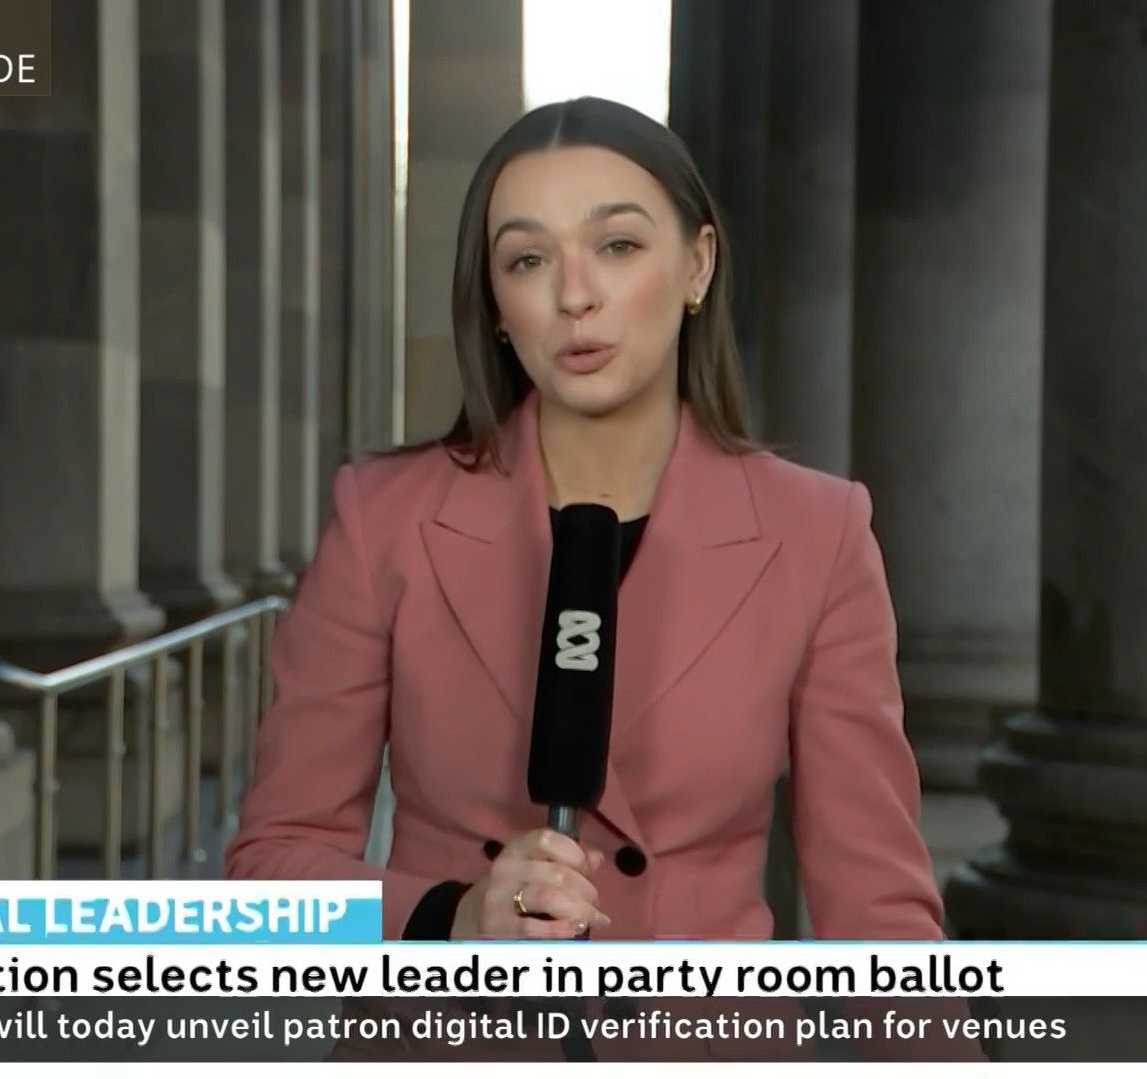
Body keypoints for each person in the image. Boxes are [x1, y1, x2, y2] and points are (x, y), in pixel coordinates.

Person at [225, 96, 945, 943]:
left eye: (617, 246)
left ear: (697, 266)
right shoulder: (384, 519)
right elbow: (268, 873)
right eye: (528, 260)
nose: (574, 295)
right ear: (496, 305)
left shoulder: (818, 533)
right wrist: (451, 916)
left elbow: (879, 909)